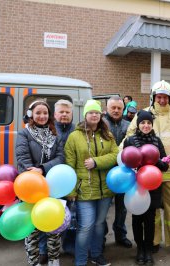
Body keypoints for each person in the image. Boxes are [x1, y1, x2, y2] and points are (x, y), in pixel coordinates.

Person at [123, 80, 170, 259]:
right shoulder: (144, 115)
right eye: (159, 97)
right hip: (148, 174)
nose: (162, 100)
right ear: (154, 97)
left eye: (165, 97)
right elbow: (129, 139)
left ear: (169, 99)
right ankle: (153, 242)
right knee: (151, 210)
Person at [65, 99, 118, 266]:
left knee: (99, 224)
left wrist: (96, 162)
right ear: (85, 115)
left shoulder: (107, 135)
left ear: (100, 115)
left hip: (105, 190)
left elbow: (116, 155)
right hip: (84, 190)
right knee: (86, 226)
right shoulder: (74, 136)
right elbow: (69, 165)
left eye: (96, 112)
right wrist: (72, 191)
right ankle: (80, 260)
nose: (94, 115)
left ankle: (96, 255)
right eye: (90, 112)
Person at [15, 99, 64, 266]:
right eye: (38, 113)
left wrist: (43, 168)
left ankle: (53, 259)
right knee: (32, 230)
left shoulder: (55, 133)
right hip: (31, 187)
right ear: (31, 115)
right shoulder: (24, 133)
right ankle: (34, 261)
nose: (42, 116)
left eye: (45, 113)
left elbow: (60, 158)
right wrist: (34, 174)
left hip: (51, 186)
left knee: (53, 226)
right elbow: (22, 158)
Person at [123, 110, 169, 265]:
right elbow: (124, 162)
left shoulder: (157, 141)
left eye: (149, 122)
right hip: (136, 187)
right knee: (137, 219)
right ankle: (140, 249)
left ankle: (148, 251)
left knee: (150, 220)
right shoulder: (130, 140)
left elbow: (165, 165)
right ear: (138, 124)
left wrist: (155, 161)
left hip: (153, 186)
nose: (146, 125)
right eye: (143, 122)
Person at [102, 96, 132, 248]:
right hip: (104, 172)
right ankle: (101, 237)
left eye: (119, 108)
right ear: (107, 108)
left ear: (123, 109)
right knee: (103, 208)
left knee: (122, 208)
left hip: (124, 173)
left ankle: (120, 234)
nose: (116, 110)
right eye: (113, 108)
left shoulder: (129, 125)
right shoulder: (101, 124)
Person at [53, 99, 76, 256]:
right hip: (52, 180)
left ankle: (68, 247)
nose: (64, 115)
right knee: (51, 213)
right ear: (55, 114)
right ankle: (46, 249)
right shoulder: (49, 130)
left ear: (72, 114)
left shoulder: (77, 131)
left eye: (67, 112)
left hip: (72, 179)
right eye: (61, 112)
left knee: (71, 215)